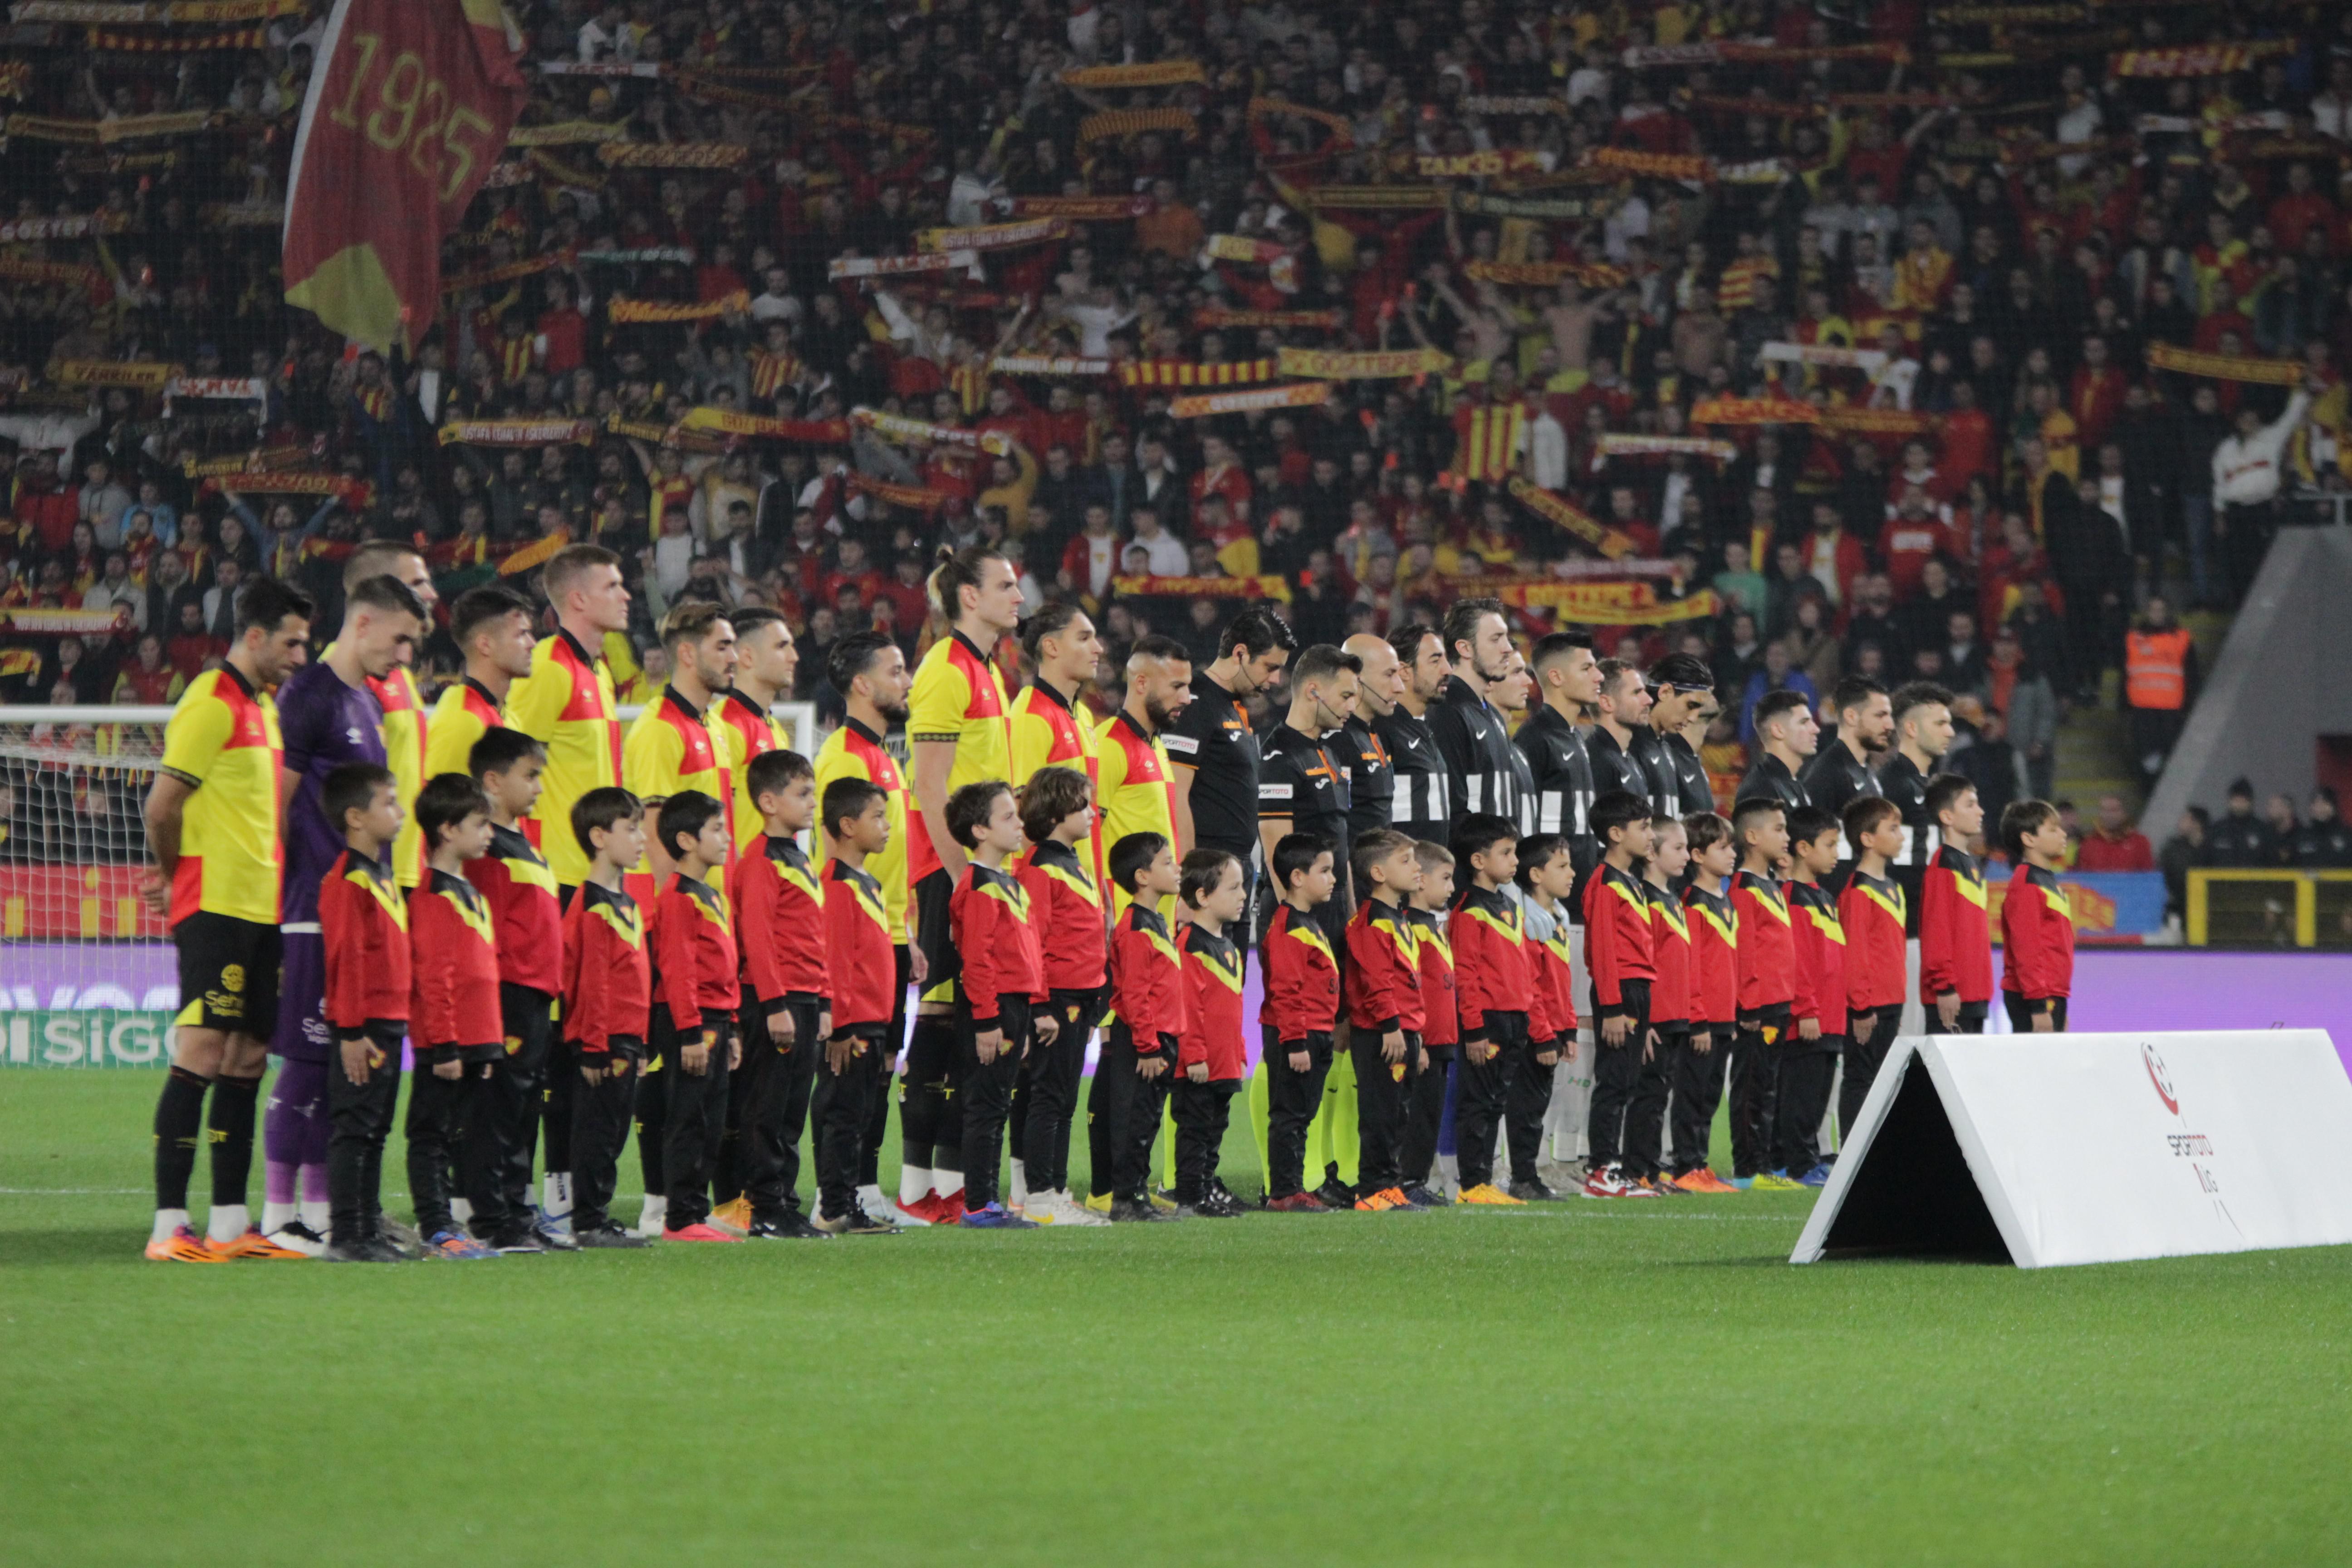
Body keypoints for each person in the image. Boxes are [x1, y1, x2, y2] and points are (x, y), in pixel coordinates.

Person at [141, 575, 314, 1264]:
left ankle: (230, 1224)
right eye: (292, 642)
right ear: (254, 636)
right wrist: (173, 873)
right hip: (215, 902)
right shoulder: (211, 700)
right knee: (204, 1052)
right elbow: (162, 806)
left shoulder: (264, 708)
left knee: (247, 1060)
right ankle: (168, 1227)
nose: (301, 656)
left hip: (265, 904)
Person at [260, 573, 425, 1254]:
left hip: (354, 904)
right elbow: (276, 805)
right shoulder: (310, 696)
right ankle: (277, 1215)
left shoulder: (363, 701)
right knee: (306, 1059)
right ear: (362, 625)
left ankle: (325, 1211)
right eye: (401, 639)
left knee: (339, 1070)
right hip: (311, 909)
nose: (406, 655)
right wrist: (283, 905)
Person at [901, 545, 1022, 1223]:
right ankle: (917, 1189)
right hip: (947, 873)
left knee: (962, 1027)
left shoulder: (984, 669)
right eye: (1006, 585)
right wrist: (960, 879)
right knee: (942, 1028)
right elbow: (929, 785)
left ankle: (947, 1186)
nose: (1018, 597)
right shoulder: (946, 669)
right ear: (969, 597)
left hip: (978, 873)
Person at [623, 603, 739, 1235]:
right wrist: (679, 922)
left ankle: (677, 1202)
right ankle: (658, 1203)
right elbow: (657, 837)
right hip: (672, 923)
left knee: (702, 1083)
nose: (733, 656)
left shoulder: (712, 725)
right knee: (674, 1071)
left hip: (706, 919)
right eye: (723, 645)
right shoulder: (657, 731)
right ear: (688, 654)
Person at [811, 631, 919, 1225]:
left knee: (877, 1071)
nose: (906, 682)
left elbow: (892, 857)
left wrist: (910, 928)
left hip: (891, 932)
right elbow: (836, 864)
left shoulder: (882, 755)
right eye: (896, 670)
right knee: (850, 1071)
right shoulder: (845, 758)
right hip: (856, 936)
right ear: (862, 684)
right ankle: (840, 1192)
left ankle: (862, 1188)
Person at [461, 726, 568, 1253]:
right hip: (507, 993)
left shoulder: (525, 843)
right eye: (530, 776)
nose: (539, 788)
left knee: (524, 1105)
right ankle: (492, 1217)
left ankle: (517, 1213)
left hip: (535, 994)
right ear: (493, 781)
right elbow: (485, 933)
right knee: (499, 1106)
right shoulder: (487, 851)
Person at [729, 747, 835, 1241]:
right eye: (803, 794)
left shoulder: (799, 857)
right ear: (769, 802)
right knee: (767, 1108)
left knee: (792, 1110)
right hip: (779, 1003)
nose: (813, 803)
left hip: (806, 1000)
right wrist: (773, 1004)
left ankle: (784, 1203)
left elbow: (816, 936)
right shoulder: (760, 859)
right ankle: (762, 1205)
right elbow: (757, 935)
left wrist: (827, 1001)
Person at [944, 779, 1054, 1229]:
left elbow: (1023, 952)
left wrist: (1032, 1008)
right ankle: (979, 1204)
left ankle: (988, 1202)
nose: (1020, 824)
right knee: (986, 1105)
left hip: (1013, 1006)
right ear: (980, 831)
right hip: (993, 1009)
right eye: (1008, 817)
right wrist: (988, 1021)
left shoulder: (1005, 883)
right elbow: (978, 960)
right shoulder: (979, 886)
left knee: (997, 1105)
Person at [403, 773, 504, 1261]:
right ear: (447, 830)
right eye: (479, 824)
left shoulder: (469, 891)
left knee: (460, 1137)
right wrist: (443, 1044)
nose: (489, 833)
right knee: (431, 1136)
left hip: (477, 1040)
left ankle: (453, 1226)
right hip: (447, 1045)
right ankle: (437, 1229)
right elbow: (433, 977)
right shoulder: (432, 896)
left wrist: (490, 1041)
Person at [314, 763, 411, 1264]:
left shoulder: (381, 875)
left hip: (389, 1022)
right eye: (388, 803)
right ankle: (348, 1234)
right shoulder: (349, 880)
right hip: (365, 1027)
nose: (399, 812)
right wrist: (350, 1031)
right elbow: (345, 960)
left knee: (375, 1129)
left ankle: (368, 1227)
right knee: (356, 1127)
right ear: (356, 816)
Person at [1009, 765, 1109, 1227]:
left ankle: (1055, 1190)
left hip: (1082, 998)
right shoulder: (1039, 867)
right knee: (1049, 1097)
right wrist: (1042, 1006)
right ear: (1056, 811)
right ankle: (1040, 1198)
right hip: (1058, 1000)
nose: (1094, 812)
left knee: (1064, 1098)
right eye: (1084, 804)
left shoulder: (1072, 863)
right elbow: (1033, 940)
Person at [558, 787, 652, 1250]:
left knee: (613, 1133)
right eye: (631, 829)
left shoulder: (626, 902)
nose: (641, 839)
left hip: (627, 1039)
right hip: (605, 1042)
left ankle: (598, 1215)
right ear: (599, 836)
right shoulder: (593, 905)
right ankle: (588, 1220)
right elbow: (590, 985)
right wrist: (593, 1046)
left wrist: (642, 1042)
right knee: (597, 1133)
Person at [646, 790, 741, 1243]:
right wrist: (688, 1033)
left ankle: (695, 1212)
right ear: (686, 840)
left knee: (712, 1116)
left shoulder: (710, 894)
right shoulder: (679, 898)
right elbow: (678, 970)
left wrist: (735, 1027)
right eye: (717, 830)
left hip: (717, 1019)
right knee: (689, 1115)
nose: (727, 838)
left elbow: (724, 967)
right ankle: (680, 1217)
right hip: (694, 1022)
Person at [813, 778, 898, 1235]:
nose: (887, 826)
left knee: (860, 1116)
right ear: (848, 825)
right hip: (853, 1024)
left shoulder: (867, 881)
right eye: (878, 817)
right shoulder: (836, 884)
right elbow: (835, 960)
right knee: (843, 1115)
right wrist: (841, 1026)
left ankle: (845, 1204)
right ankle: (833, 1208)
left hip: (874, 1018)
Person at [1166, 605, 1294, 901]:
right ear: (1240, 654)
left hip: (1235, 869)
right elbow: (1175, 794)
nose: (1276, 680)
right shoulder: (1195, 702)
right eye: (1270, 667)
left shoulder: (1234, 705)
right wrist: (1187, 882)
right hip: (1207, 876)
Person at [1446, 813, 1534, 1207]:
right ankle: (1472, 1183)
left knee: (1497, 1101)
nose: (1516, 861)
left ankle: (1484, 1180)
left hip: (1516, 1016)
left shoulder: (1509, 904)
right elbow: (1465, 975)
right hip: (1488, 1021)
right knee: (1478, 1102)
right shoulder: (1469, 910)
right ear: (1479, 861)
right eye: (1507, 853)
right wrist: (1476, 1029)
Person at [1100, 832, 1186, 1224]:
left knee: (1148, 1120)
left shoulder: (1154, 921)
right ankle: (1127, 1199)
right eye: (1167, 863)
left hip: (1160, 1038)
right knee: (1134, 1120)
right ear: (1142, 877)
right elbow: (1134, 995)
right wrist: (1149, 1048)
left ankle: (1138, 1196)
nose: (1177, 868)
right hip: (1143, 1043)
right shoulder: (1136, 927)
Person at [1580, 792, 1660, 1200]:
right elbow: (1604, 950)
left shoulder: (1631, 881)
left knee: (1627, 1080)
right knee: (1612, 1082)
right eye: (1643, 828)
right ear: (1615, 834)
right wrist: (1612, 1007)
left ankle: (1615, 1168)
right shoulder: (1606, 883)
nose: (1652, 836)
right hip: (1622, 992)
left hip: (1638, 989)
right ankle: (1602, 1170)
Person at [1258, 643, 1361, 949]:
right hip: (1301, 915)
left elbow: (1339, 836)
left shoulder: (1330, 752)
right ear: (1313, 691)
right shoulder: (1278, 757)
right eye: (1346, 696)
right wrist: (1293, 924)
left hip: (1336, 908)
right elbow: (1275, 846)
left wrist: (1352, 912)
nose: (1353, 706)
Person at [1343, 829, 1424, 1212]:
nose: (1416, 867)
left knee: (1398, 1113)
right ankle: (1373, 1189)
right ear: (1378, 872)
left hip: (1405, 1030)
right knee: (1380, 1114)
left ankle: (1391, 1185)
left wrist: (1416, 1034)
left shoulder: (1398, 918)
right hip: (1382, 1033)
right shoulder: (1372, 921)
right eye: (1405, 860)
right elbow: (1377, 981)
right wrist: (1392, 1026)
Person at [1261, 833, 1342, 1211]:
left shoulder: (1307, 922)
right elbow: (1286, 989)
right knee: (1290, 1115)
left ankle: (1292, 1187)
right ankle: (1283, 1192)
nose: (1333, 879)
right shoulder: (1289, 927)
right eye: (1324, 871)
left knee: (1302, 1114)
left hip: (1317, 1030)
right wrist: (1295, 1042)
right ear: (1297, 877)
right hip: (1298, 1033)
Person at [1173, 847, 1250, 1219]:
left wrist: (1239, 1051)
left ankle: (1206, 1187)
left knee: (1215, 1132)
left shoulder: (1230, 948)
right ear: (1202, 897)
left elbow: (1232, 1008)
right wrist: (1195, 1055)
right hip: (1200, 1066)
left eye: (1243, 887)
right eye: (1234, 888)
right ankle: (1190, 1195)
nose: (1244, 896)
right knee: (1195, 1132)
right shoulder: (1189, 945)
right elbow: (1188, 1007)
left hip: (1225, 1063)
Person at [1095, 634, 1194, 918]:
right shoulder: (1108, 744)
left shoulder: (1157, 746)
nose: (1186, 698)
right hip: (1122, 920)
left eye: (1187, 687)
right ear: (1141, 683)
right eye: (1177, 687)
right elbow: (1085, 837)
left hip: (1158, 918)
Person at [1008, 603, 1104, 884]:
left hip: (1084, 885)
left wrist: (1100, 892)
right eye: (1084, 638)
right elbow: (1021, 813)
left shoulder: (1082, 715)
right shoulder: (1031, 714)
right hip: (1054, 890)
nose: (1098, 648)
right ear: (1052, 647)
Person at [1728, 798, 1796, 1190]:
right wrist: (1749, 1005)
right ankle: (1749, 1169)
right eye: (1779, 829)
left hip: (1779, 1002)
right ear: (1752, 837)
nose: (1786, 837)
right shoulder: (1743, 889)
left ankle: (1765, 1166)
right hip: (1759, 1007)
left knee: (1769, 1086)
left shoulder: (1771, 886)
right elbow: (1746, 953)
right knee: (1752, 1085)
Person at [1671, 813, 1741, 1193]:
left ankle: (1700, 1164)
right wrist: (1697, 1018)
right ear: (1698, 855)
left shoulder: (1725, 901)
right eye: (1723, 847)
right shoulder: (1693, 903)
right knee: (1692, 1094)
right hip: (1703, 1019)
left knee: (1711, 1096)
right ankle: (1687, 1165)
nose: (1732, 853)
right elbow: (1691, 967)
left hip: (1726, 1016)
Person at [1778, 805, 1846, 1188]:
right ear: (1803, 848)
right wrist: (1806, 1008)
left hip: (1832, 1015)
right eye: (1830, 844)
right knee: (1800, 1097)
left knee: (1819, 1096)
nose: (1837, 852)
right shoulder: (1794, 895)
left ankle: (1809, 1160)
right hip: (1811, 1017)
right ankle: (1799, 1164)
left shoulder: (1824, 896)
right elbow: (1798, 960)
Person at [1625, 816, 1693, 1196]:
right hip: (1657, 1015)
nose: (1686, 855)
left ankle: (1650, 1168)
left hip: (1676, 1013)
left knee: (1659, 1095)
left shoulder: (1671, 898)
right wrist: (1644, 1019)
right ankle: (1638, 1170)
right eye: (1678, 848)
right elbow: (1642, 963)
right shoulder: (1647, 899)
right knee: (1647, 1096)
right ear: (1652, 852)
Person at [1512, 832, 1578, 1200]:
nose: (1572, 874)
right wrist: (1543, 1034)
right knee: (1526, 1109)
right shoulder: (1528, 921)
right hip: (1536, 1032)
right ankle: (1522, 1178)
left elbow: (1561, 983)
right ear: (1536, 874)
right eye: (1563, 866)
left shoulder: (1555, 916)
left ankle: (1529, 1176)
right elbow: (1531, 986)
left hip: (1553, 1029)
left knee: (1538, 1107)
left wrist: (1567, 1028)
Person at [2209, 378, 2313, 605]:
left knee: (2264, 559)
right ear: (2237, 422)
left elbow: (2291, 417)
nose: (2249, 422)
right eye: (2245, 419)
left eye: (2253, 419)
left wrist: (2302, 393)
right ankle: (2242, 605)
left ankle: (2267, 602)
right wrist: (2219, 514)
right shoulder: (2225, 449)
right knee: (2238, 563)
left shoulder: (2271, 437)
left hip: (2263, 509)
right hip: (2236, 513)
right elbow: (2219, 484)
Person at [1839, 798, 1909, 1137]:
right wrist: (1861, 1005)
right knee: (1860, 1078)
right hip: (1869, 1006)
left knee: (1883, 1079)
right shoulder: (1859, 892)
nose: (1902, 837)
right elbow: (1856, 954)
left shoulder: (1894, 888)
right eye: (1892, 829)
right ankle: (1852, 1155)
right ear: (1867, 839)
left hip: (1893, 1001)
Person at [1427, 596, 1524, 833]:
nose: (1508, 648)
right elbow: (1452, 811)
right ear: (1465, 648)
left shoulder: (1491, 714)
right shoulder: (1446, 712)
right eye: (1496, 639)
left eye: (1505, 637)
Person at [423, 584, 537, 780]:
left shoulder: (503, 713)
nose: (532, 644)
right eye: (521, 634)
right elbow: (443, 809)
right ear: (485, 645)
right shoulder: (462, 721)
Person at [1398, 841, 1458, 1210]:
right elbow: (1411, 988)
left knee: (1430, 1115)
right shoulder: (1411, 929)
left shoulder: (1432, 926)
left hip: (1443, 1039)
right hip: (1425, 1042)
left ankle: (1416, 1180)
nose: (1452, 887)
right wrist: (1418, 1037)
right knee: (1416, 1117)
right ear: (1420, 881)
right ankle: (1406, 1181)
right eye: (1446, 879)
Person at [1516, 629, 1603, 881]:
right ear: (1556, 677)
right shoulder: (1533, 739)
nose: (1599, 676)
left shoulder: (1576, 737)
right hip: (1549, 896)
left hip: (1580, 890)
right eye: (1587, 668)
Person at [715, 607, 800, 855]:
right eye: (781, 646)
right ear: (747, 657)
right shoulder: (726, 725)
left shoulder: (775, 729)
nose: (793, 656)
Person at [1920, 775, 1995, 1034]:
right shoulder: (1943, 866)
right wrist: (1945, 987)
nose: (1980, 811)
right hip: (1953, 997)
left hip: (1975, 995)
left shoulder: (1971, 864)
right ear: (1947, 817)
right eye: (1970, 805)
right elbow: (1936, 931)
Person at [1878, 681, 1956, 927]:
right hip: (1905, 928)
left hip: (1926, 925)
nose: (1950, 732)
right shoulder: (1890, 785)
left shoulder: (1922, 785)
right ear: (1911, 728)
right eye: (1940, 724)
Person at [1798, 675, 1891, 865]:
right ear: (1851, 717)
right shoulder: (1828, 772)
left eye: (1889, 716)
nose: (1889, 725)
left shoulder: (1866, 772)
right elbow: (1809, 850)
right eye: (1880, 715)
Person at [1376, 622, 1455, 846]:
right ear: (1405, 672)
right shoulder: (1384, 729)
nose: (1448, 669)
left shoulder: (1425, 727)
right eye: (1436, 660)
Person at [2001, 800, 2076, 1033]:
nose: (2063, 834)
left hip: (2051, 995)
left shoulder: (2047, 881)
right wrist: (2038, 1006)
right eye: (2053, 829)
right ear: (2029, 839)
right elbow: (2027, 949)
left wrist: (2059, 1002)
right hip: (2034, 998)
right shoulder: (2027, 884)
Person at [1338, 632, 1403, 847]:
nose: (1399, 687)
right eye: (1389, 675)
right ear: (1357, 679)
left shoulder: (1373, 733)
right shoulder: (1339, 740)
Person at [2122, 596, 2194, 785]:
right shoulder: (2133, 638)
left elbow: (2192, 674)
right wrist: (2124, 704)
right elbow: (2126, 671)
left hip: (2171, 710)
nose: (2157, 614)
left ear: (2168, 612)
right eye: (2153, 610)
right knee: (2146, 759)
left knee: (2167, 757)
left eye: (2160, 610)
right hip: (2142, 709)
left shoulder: (2181, 638)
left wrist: (2188, 704)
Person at [1735, 690, 1817, 810]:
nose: (1815, 729)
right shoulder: (1760, 790)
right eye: (1804, 722)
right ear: (1778, 731)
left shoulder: (1794, 784)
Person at [2075, 793, 2155, 872]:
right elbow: (2083, 879)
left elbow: (2148, 877)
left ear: (2124, 814)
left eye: (2114, 810)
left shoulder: (2140, 843)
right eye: (2104, 810)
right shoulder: (2088, 844)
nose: (2108, 815)